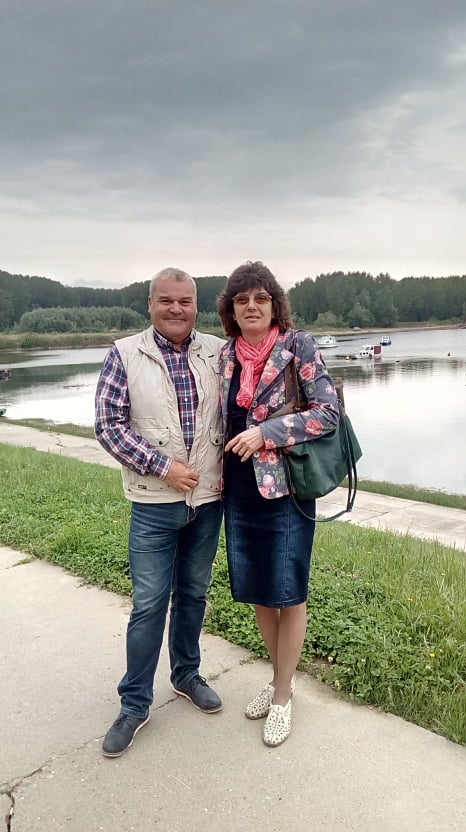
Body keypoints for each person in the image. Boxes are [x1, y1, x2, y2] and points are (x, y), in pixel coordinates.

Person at [95, 267, 225, 757]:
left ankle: (186, 675)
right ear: (150, 304)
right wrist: (162, 466)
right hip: (154, 504)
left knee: (193, 595)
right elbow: (108, 425)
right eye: (166, 301)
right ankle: (134, 703)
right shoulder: (124, 354)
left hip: (208, 501)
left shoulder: (216, 351)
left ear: (197, 305)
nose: (176, 309)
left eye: (185, 301)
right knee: (150, 605)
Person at [217, 261, 339, 747]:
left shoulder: (298, 347)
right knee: (259, 591)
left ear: (274, 304)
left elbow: (328, 413)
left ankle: (284, 696)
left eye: (260, 298)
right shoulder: (225, 356)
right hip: (238, 490)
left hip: (286, 489)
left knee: (288, 590)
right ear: (231, 309)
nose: (251, 306)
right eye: (241, 299)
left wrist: (266, 433)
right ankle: (277, 678)